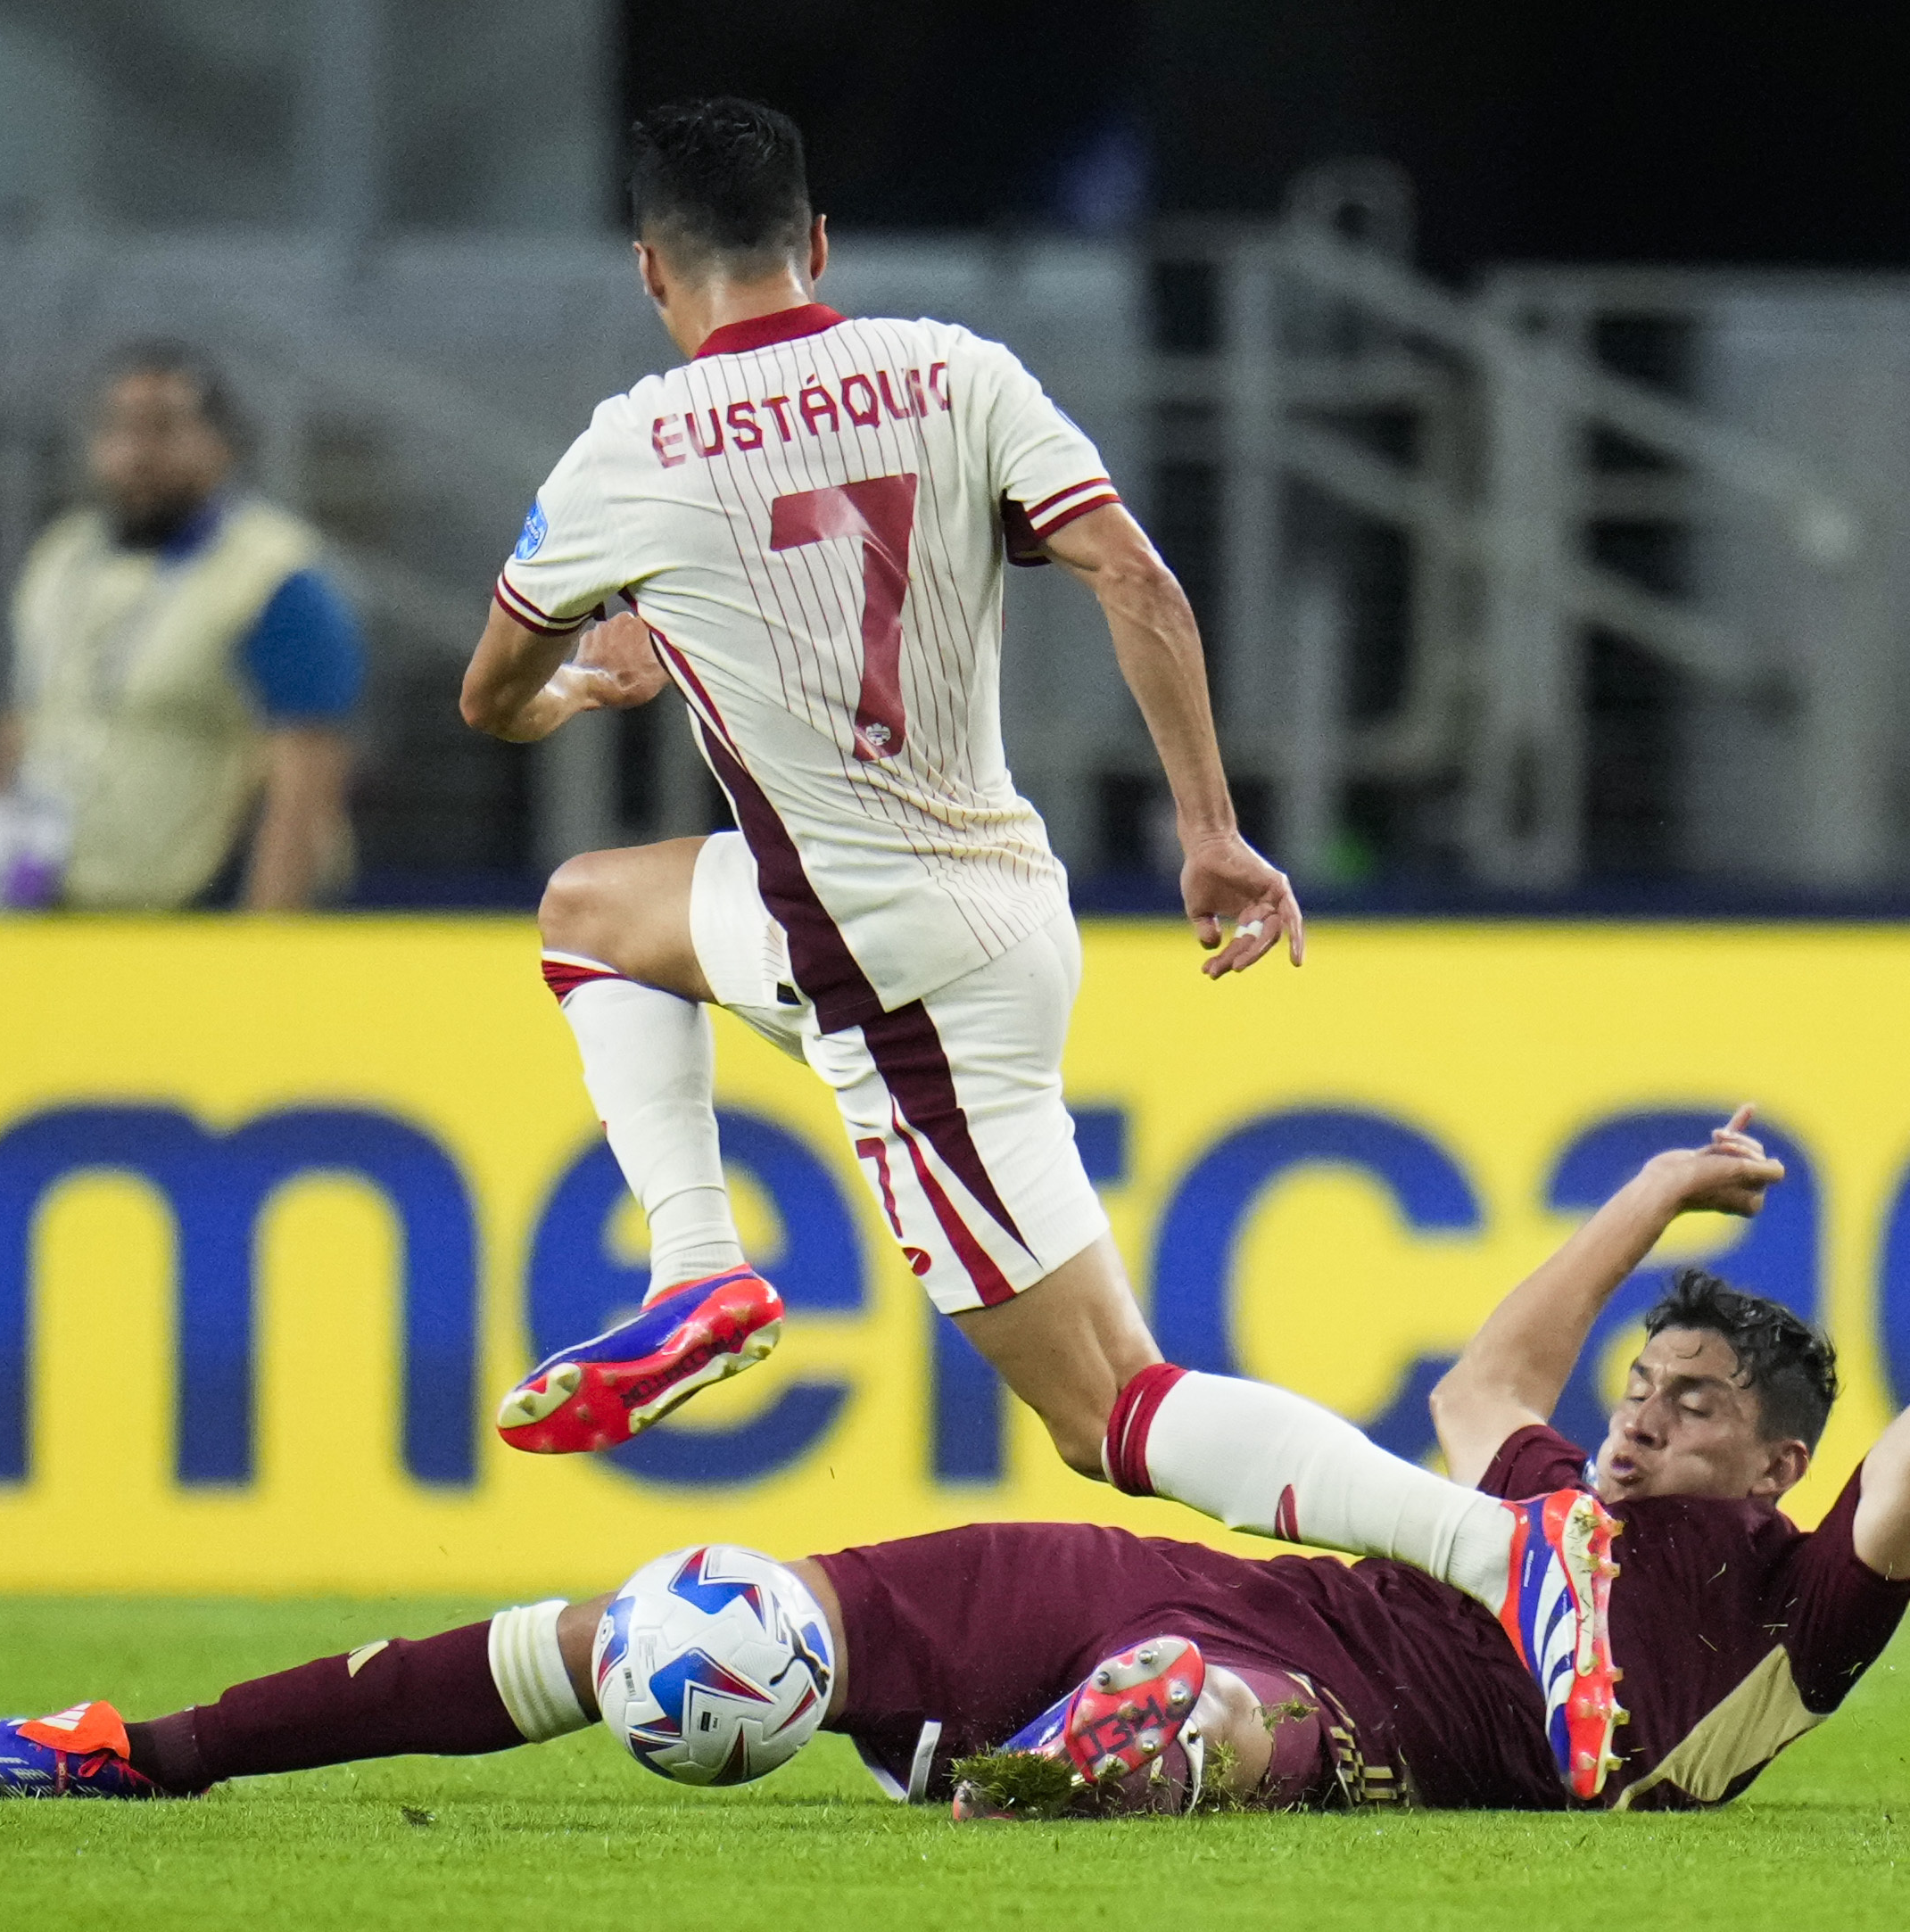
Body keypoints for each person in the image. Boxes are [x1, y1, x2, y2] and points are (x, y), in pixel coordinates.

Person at [0, 912, 1910, 1818]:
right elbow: (1477, 1377)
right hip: (1134, 1574)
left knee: (1195, 1729)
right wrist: (1638, 1197)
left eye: (1690, 1405)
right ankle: (153, 1746)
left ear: (1788, 1456)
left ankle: (995, 1768)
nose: (1632, 1417)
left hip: (1321, 1706)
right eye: (1641, 1389)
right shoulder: (1552, 1488)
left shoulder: (1797, 1610)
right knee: (672, 1622)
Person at [449, 96, 1612, 1753]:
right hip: (987, 904)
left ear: (649, 271)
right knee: (592, 913)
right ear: (819, 243)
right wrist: (1209, 834)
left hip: (876, 965)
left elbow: (487, 696)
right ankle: (695, 1269)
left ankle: (1499, 1552)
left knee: (1108, 1408)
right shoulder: (954, 370)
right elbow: (1136, 581)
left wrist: (585, 674)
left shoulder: (625, 451)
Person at [0, 343, 364, 911]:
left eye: (163, 429)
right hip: (43, 902)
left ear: (221, 445)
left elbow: (306, 770)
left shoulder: (271, 577)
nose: (135, 453)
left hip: (182, 911)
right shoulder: (62, 557)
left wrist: (266, 939)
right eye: (116, 429)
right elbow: (25, 716)